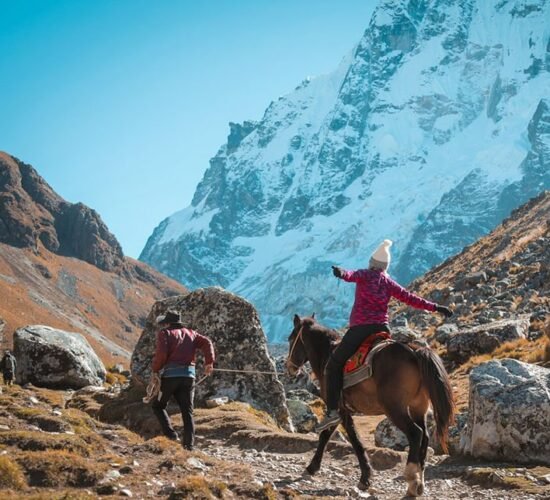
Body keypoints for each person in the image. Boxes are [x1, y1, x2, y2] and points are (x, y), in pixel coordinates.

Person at [317, 240, 453, 431]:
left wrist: (340, 272)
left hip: (361, 329)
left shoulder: (364, 275)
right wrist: (435, 307)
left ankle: (332, 412)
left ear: (372, 264)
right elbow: (410, 298)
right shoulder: (389, 283)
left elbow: (350, 275)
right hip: (382, 329)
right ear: (385, 267)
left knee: (333, 365)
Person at [150, 310, 215, 450]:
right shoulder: (192, 333)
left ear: (167, 323)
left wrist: (155, 369)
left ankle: (171, 435)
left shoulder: (165, 334)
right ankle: (189, 445)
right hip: (189, 376)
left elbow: (161, 354)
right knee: (187, 411)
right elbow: (207, 342)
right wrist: (209, 362)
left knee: (158, 406)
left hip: (170, 376)